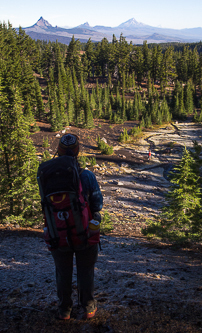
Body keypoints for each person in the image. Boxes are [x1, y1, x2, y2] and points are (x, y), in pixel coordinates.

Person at [51, 133, 103, 320]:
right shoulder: (86, 176)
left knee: (63, 271)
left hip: (57, 232)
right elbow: (97, 204)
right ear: (77, 152)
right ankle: (88, 307)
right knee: (86, 270)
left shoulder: (47, 175)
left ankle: (65, 309)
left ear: (59, 151)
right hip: (84, 233)